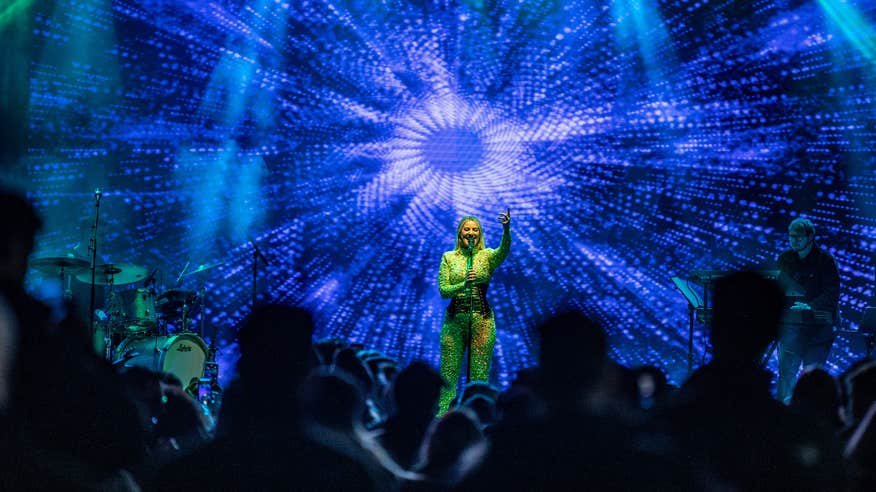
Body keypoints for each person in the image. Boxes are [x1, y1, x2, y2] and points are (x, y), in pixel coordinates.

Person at [437, 210, 510, 414]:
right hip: (454, 320)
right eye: (467, 229)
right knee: (449, 374)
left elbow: (503, 251)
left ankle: (478, 418)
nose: (471, 232)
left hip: (482, 320)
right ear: (460, 233)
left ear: (480, 234)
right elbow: (443, 290)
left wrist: (506, 230)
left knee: (478, 376)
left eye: (475, 230)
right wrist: (463, 284)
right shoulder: (449, 258)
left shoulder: (487, 256)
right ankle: (442, 418)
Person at [775, 217, 840, 403]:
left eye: (799, 236)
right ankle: (782, 419)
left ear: (811, 237)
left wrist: (810, 306)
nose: (794, 239)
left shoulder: (825, 260)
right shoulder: (785, 259)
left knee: (812, 378)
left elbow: (832, 294)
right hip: (792, 327)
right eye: (791, 236)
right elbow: (777, 288)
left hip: (818, 329)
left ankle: (811, 420)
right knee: (786, 375)